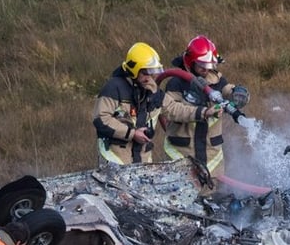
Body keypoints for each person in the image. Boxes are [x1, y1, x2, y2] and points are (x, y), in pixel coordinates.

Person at [161, 35, 250, 195]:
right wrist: (203, 112)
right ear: (191, 61)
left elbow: (227, 89)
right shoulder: (177, 82)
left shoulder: (215, 79)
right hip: (184, 152)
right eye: (202, 65)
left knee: (213, 200)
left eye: (209, 65)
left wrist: (238, 93)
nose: (206, 70)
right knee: (183, 199)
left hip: (211, 154)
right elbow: (170, 110)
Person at [92, 42, 165, 166]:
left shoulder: (151, 88)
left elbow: (174, 109)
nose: (149, 77)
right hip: (115, 160)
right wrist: (132, 134)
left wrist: (203, 112)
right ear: (134, 70)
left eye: (152, 73)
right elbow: (101, 119)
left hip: (143, 160)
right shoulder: (114, 88)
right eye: (145, 73)